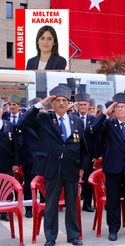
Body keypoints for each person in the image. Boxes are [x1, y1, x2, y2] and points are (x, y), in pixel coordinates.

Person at [22, 85, 88, 246]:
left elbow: (84, 147)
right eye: (57, 100)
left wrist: (82, 167)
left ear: (68, 103)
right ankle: (50, 237)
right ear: (53, 103)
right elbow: (26, 121)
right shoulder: (44, 119)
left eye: (64, 100)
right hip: (52, 166)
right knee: (51, 204)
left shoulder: (76, 120)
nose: (60, 103)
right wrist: (41, 103)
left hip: (72, 166)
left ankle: (73, 235)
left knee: (72, 203)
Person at [92, 93, 125, 241]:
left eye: (123, 107)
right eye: (117, 107)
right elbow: (95, 128)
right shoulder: (109, 124)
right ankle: (113, 229)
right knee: (113, 200)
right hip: (113, 168)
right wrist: (106, 112)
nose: (120, 109)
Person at [15, 97, 43, 219]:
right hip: (29, 158)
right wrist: (30, 112)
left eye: (41, 108)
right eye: (37, 108)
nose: (39, 111)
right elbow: (18, 125)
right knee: (28, 184)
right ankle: (29, 209)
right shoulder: (26, 120)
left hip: (43, 157)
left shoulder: (44, 119)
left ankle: (44, 208)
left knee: (44, 184)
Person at [72, 92, 99, 213]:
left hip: (88, 155)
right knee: (73, 179)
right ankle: (72, 203)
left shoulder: (93, 119)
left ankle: (87, 204)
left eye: (85, 104)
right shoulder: (71, 118)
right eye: (80, 104)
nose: (83, 107)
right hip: (74, 154)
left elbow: (97, 138)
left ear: (88, 106)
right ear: (77, 105)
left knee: (88, 180)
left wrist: (96, 155)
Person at [0, 98, 20, 222]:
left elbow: (15, 146)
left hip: (6, 161)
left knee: (6, 188)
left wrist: (16, 162)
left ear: (2, 110)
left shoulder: (9, 125)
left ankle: (5, 212)